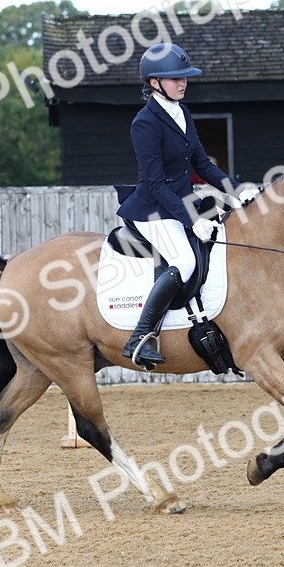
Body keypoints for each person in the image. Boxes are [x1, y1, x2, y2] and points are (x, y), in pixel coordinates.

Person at [116, 42, 260, 368]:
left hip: (180, 203)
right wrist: (193, 219)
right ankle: (140, 336)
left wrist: (237, 191)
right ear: (154, 82)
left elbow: (203, 165)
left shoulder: (182, 112)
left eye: (184, 77)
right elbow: (156, 184)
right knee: (184, 261)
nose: (183, 83)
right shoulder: (144, 123)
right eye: (175, 78)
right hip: (153, 209)